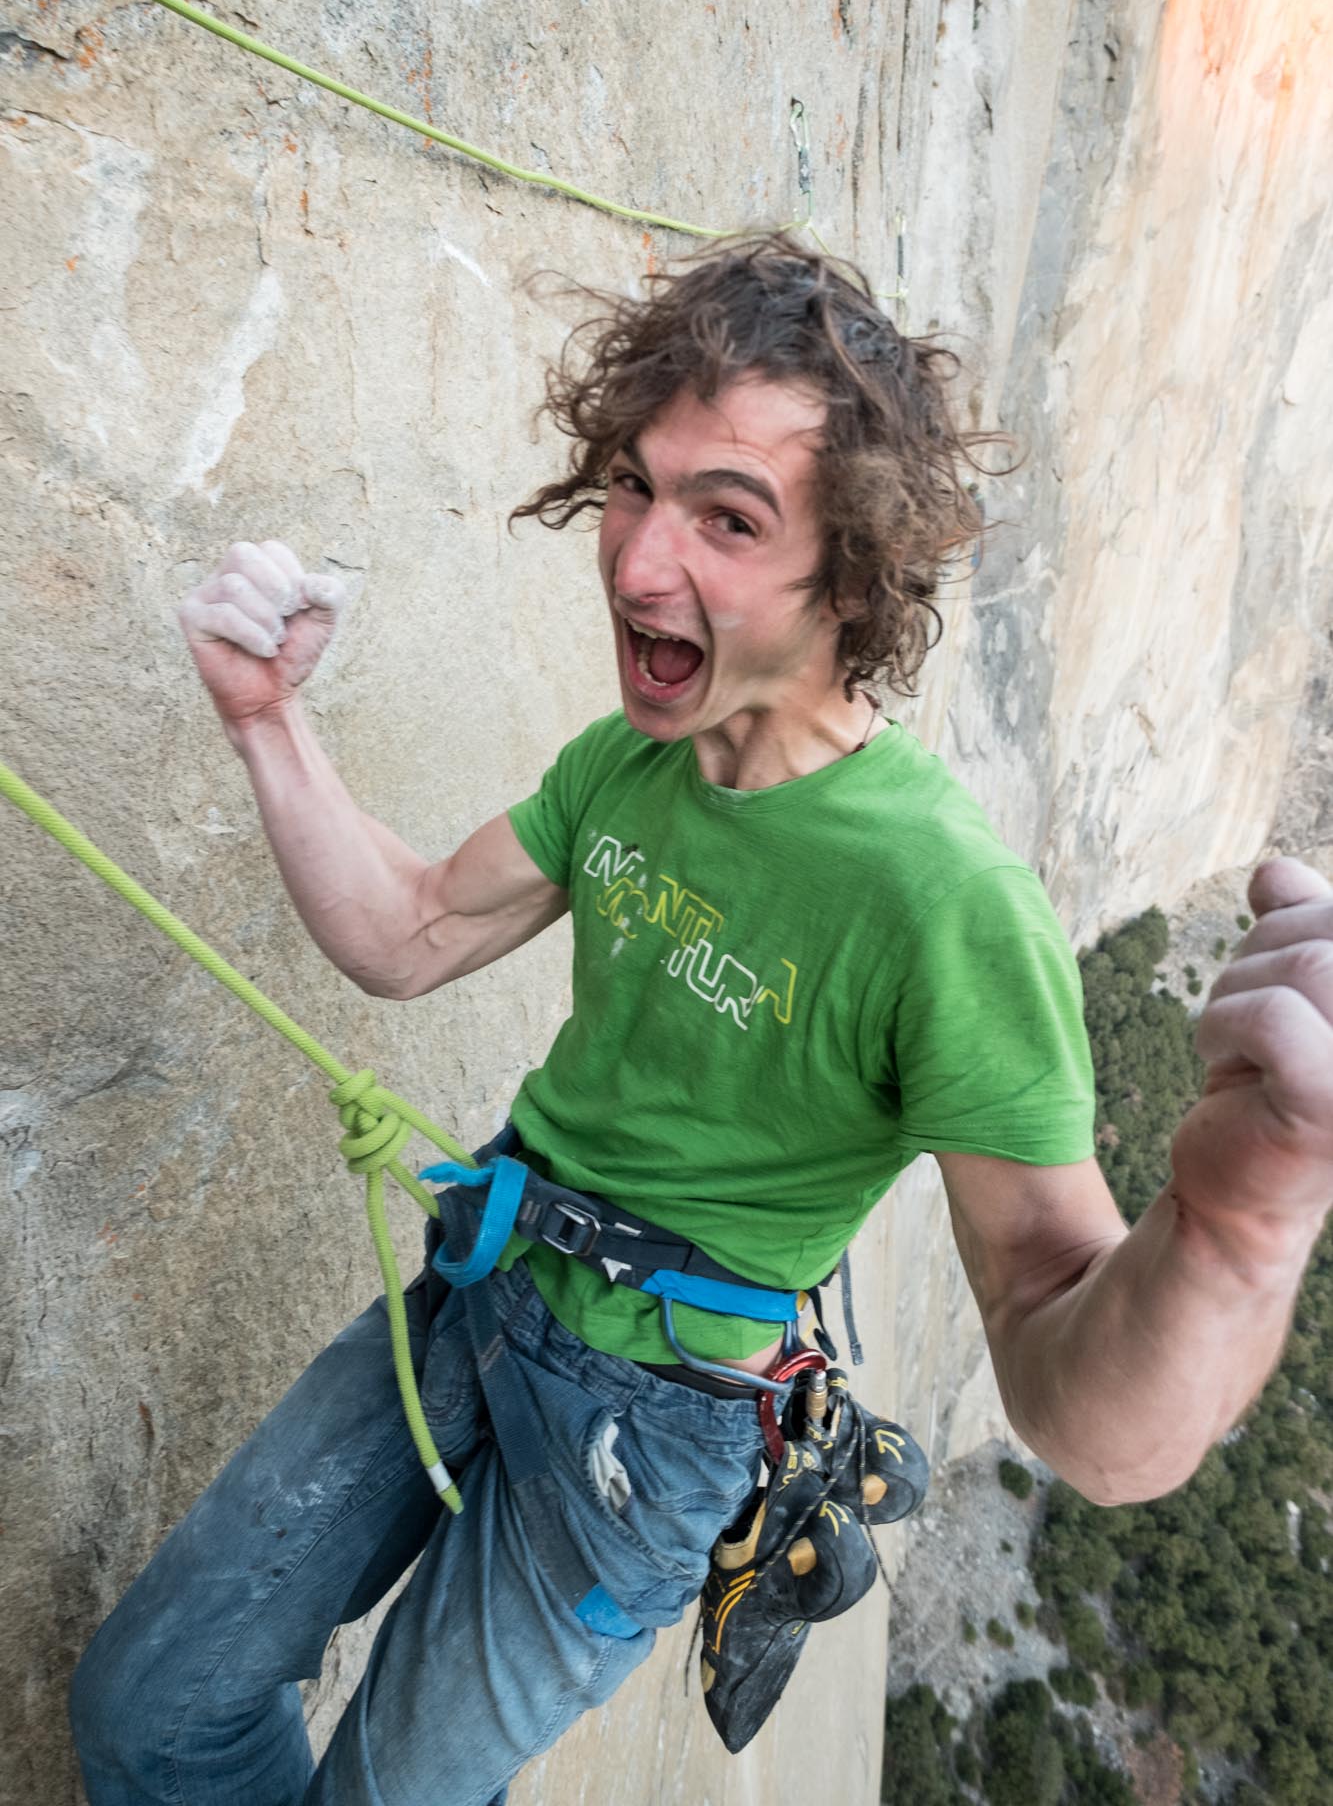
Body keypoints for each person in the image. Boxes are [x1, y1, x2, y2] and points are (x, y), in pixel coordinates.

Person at [70, 236, 1333, 1805]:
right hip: (485, 1287)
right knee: (145, 1709)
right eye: (632, 487)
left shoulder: (940, 900)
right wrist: (268, 724)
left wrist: (1237, 1217)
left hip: (653, 1432)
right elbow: (407, 935)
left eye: (725, 518)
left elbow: (1088, 1411)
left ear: (850, 574)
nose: (636, 560)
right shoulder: (631, 763)